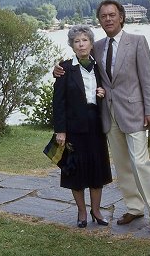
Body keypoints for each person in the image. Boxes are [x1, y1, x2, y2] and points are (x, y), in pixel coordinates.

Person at [54, 0, 150, 235]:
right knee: (123, 164)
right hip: (107, 115)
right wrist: (56, 69)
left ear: (121, 17)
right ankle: (134, 207)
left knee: (141, 163)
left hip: (134, 112)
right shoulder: (97, 46)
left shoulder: (138, 42)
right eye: (103, 16)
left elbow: (147, 78)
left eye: (112, 15)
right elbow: (79, 60)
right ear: (100, 20)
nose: (108, 19)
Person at [53, 25, 112, 228]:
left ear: (90, 43)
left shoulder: (99, 66)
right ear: (72, 45)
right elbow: (58, 102)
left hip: (95, 125)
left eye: (84, 40)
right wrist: (60, 130)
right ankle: (81, 212)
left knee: (97, 169)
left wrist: (102, 94)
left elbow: (109, 88)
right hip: (73, 128)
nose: (81, 44)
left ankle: (96, 211)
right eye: (77, 41)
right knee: (75, 171)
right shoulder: (64, 68)